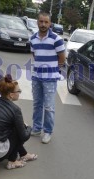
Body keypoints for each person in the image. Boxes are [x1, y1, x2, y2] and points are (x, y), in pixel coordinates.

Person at [30, 12, 65, 144]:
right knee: (37, 104)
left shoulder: (56, 39)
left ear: (50, 23)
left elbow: (62, 57)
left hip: (50, 78)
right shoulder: (33, 38)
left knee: (49, 106)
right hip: (36, 77)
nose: (43, 24)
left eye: (46, 22)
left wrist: (54, 70)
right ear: (37, 22)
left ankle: (48, 131)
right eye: (41, 21)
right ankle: (37, 128)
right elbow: (35, 55)